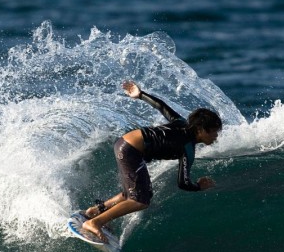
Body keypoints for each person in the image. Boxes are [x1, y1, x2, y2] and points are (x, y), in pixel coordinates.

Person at [81, 80, 222, 241]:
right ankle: (95, 222)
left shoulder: (181, 122)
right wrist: (199, 186)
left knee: (139, 192)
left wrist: (140, 95)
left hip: (125, 144)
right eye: (213, 132)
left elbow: (161, 106)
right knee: (140, 200)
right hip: (130, 150)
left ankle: (95, 211)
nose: (216, 136)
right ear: (200, 130)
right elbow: (182, 182)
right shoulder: (187, 148)